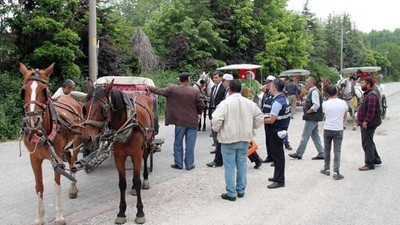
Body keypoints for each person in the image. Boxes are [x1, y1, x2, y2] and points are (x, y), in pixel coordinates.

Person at [212, 80, 263, 201]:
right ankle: (241, 190)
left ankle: (231, 193)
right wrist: (252, 127)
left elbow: (216, 119)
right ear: (241, 89)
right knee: (242, 164)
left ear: (229, 90)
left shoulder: (225, 103)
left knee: (229, 166)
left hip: (228, 139)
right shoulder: (249, 103)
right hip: (244, 139)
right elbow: (259, 117)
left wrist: (217, 129)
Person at [147, 72, 205, 170]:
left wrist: (149, 87)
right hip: (192, 122)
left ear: (179, 80)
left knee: (178, 143)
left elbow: (159, 91)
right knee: (190, 145)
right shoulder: (195, 92)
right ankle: (189, 165)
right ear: (188, 80)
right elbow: (202, 106)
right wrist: (198, 113)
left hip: (179, 122)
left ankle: (178, 164)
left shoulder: (172, 89)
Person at [222, 74, 263, 169]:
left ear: (228, 82)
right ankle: (256, 159)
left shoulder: (230, 93)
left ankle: (256, 159)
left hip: (235, 119)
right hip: (236, 120)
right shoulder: (229, 91)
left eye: (224, 81)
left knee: (244, 143)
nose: (223, 83)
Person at [289, 77, 325, 160]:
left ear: (312, 83)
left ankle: (299, 153)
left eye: (307, 82)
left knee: (305, 135)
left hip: (312, 117)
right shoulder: (313, 91)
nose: (305, 83)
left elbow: (316, 105)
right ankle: (321, 153)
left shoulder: (314, 92)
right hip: (314, 117)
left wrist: (309, 111)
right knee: (315, 135)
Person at [263, 79, 290, 188]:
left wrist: (260, 119)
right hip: (280, 130)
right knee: (277, 155)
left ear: (274, 87)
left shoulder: (277, 102)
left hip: (276, 131)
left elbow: (271, 120)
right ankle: (277, 176)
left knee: (278, 156)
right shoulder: (283, 98)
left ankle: (279, 180)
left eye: (271, 85)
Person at [320, 85, 348, 180]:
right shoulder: (343, 103)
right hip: (338, 128)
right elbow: (345, 116)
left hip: (328, 128)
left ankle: (326, 169)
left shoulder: (325, 103)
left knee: (327, 150)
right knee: (337, 150)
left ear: (327, 93)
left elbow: (325, 114)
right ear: (337, 92)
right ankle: (336, 171)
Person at [357, 77, 382, 171]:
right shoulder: (369, 94)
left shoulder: (371, 96)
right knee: (369, 141)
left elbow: (371, 111)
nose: (361, 85)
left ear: (368, 85)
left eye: (363, 83)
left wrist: (366, 121)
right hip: (368, 122)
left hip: (369, 123)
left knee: (367, 143)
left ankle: (369, 163)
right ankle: (376, 159)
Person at [207, 71, 226, 167]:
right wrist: (210, 113)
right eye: (213, 78)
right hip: (213, 111)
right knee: (214, 132)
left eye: (216, 77)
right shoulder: (213, 88)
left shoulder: (224, 89)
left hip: (220, 112)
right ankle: (216, 146)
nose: (214, 79)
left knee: (220, 133)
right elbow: (211, 101)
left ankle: (219, 155)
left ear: (221, 78)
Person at [260, 75, 276, 163]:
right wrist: (267, 85)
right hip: (266, 118)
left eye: (269, 82)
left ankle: (275, 158)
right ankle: (269, 156)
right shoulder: (269, 92)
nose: (267, 84)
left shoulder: (275, 93)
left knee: (273, 140)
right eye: (266, 82)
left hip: (272, 118)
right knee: (268, 139)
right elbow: (260, 88)